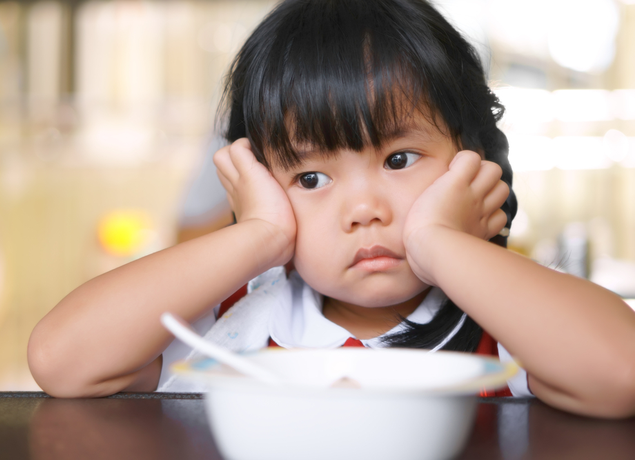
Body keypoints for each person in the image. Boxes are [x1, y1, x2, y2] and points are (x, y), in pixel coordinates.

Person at [27, 0, 635, 418]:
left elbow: (620, 372)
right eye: (311, 176)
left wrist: (442, 242)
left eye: (399, 161)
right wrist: (259, 233)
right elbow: (61, 361)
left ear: (472, 163)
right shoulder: (232, 324)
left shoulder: (509, 321)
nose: (364, 209)